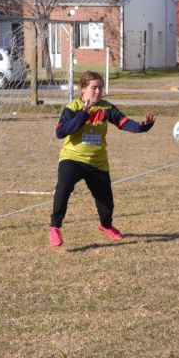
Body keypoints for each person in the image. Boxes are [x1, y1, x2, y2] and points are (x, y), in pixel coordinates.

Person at [48, 71, 155, 247]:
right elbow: (61, 132)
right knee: (63, 188)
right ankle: (55, 227)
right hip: (72, 158)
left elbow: (124, 123)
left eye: (100, 88)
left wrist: (142, 127)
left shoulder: (107, 108)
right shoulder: (72, 107)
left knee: (106, 203)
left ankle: (105, 225)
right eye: (94, 88)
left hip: (97, 162)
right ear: (83, 89)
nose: (98, 92)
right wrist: (83, 114)